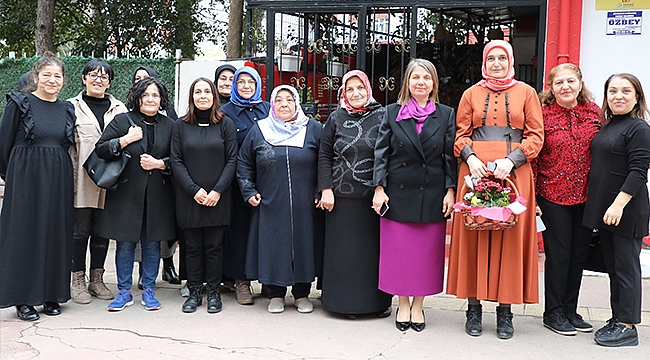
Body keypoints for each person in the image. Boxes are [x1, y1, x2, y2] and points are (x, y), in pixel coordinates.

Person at [446, 40, 544, 339]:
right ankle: (473, 309)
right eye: (492, 59)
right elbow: (459, 136)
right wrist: (471, 157)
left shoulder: (526, 93)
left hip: (513, 172)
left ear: (511, 60)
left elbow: (536, 137)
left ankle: (505, 312)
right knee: (477, 236)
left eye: (503, 58)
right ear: (484, 63)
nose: (497, 63)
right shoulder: (470, 94)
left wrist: (511, 160)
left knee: (510, 240)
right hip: (474, 170)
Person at [372, 59, 457, 332]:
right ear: (407, 83)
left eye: (427, 78)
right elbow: (381, 155)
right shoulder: (391, 112)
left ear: (433, 83)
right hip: (397, 194)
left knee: (425, 256)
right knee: (399, 255)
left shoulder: (445, 114)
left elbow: (448, 159)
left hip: (431, 194)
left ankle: (418, 305)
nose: (421, 82)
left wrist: (450, 190)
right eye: (415, 77)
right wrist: (379, 188)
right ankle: (402, 302)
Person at [0, 53, 76, 320]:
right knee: (24, 234)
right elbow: (4, 144)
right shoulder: (19, 103)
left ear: (63, 80)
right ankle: (22, 299)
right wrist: (12, 177)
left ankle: (51, 295)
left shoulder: (67, 108)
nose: (52, 80)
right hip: (25, 177)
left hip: (58, 176)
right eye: (47, 75)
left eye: (57, 76)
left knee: (55, 232)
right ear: (36, 77)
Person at [237, 85, 322, 314]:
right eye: (279, 100)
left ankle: (302, 292)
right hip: (270, 201)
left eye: (289, 100)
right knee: (274, 244)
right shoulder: (260, 130)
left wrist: (321, 190)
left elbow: (325, 161)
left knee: (303, 245)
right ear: (272, 105)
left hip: (306, 203)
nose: (284, 104)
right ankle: (275, 293)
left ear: (297, 104)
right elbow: (244, 163)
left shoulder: (312, 129)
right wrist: (248, 190)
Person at [95, 77, 176, 311]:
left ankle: (149, 290)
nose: (150, 99)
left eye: (155, 95)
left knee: (152, 244)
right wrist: (125, 140)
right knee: (125, 243)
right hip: (126, 194)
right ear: (137, 97)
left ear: (161, 99)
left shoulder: (170, 125)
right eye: (146, 95)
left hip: (158, 195)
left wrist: (161, 164)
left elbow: (180, 158)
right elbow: (101, 149)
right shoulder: (123, 121)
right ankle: (123, 291)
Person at [582, 73, 650, 347]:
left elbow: (638, 171)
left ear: (636, 97)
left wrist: (618, 204)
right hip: (608, 212)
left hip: (625, 211)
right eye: (613, 91)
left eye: (625, 91)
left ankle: (628, 326)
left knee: (626, 269)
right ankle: (617, 318)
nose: (618, 96)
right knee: (614, 267)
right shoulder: (609, 125)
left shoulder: (639, 129)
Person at [318, 70, 392, 319]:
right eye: (349, 89)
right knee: (343, 255)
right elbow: (324, 154)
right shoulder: (336, 117)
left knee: (370, 255)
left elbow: (388, 153)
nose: (355, 93)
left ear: (368, 89)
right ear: (343, 92)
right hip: (340, 199)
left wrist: (382, 188)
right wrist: (325, 188)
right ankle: (340, 303)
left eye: (360, 87)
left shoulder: (382, 115)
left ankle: (375, 303)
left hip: (372, 198)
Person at [533, 63, 600, 335]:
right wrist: (534, 198)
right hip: (553, 195)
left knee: (578, 256)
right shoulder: (543, 114)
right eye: (559, 82)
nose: (566, 87)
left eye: (571, 81)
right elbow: (534, 158)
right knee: (559, 256)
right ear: (551, 88)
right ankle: (554, 312)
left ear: (580, 84)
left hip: (586, 196)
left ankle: (570, 311)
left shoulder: (594, 113)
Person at [171, 77, 238, 313]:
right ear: (191, 97)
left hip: (218, 198)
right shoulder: (180, 126)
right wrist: (195, 190)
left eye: (206, 92)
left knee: (214, 247)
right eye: (197, 92)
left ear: (214, 96)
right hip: (190, 198)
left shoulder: (225, 124)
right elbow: (176, 161)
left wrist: (217, 190)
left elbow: (232, 160)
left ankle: (213, 294)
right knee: (192, 247)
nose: (202, 96)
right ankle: (194, 292)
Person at [67, 59, 128, 305]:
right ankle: (77, 280)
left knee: (103, 232)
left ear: (110, 82)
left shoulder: (119, 108)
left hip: (110, 180)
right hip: (80, 179)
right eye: (93, 75)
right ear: (83, 79)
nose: (98, 80)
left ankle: (97, 279)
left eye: (104, 77)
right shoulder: (70, 107)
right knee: (80, 232)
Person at [221, 66, 271, 305]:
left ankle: (270, 281)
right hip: (238, 182)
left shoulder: (267, 109)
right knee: (240, 232)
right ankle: (241, 282)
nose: (246, 87)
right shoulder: (225, 111)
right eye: (241, 82)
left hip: (268, 181)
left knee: (267, 231)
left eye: (251, 82)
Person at [131, 65, 180, 288]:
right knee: (142, 231)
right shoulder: (128, 113)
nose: (142, 81)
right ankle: (144, 271)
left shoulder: (169, 114)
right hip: (137, 183)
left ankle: (168, 265)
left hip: (164, 179)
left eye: (147, 78)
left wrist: (163, 165)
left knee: (164, 229)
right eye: (138, 79)